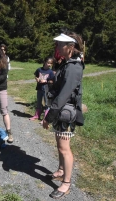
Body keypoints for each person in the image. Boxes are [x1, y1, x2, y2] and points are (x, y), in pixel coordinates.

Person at [42, 31, 85, 199]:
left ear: (70, 47)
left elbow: (64, 95)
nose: (57, 47)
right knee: (60, 146)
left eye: (60, 45)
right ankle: (61, 171)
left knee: (64, 148)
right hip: (61, 111)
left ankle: (66, 183)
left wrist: (48, 116)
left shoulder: (74, 66)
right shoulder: (67, 63)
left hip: (65, 112)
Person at [29, 56, 54, 123]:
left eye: (51, 63)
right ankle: (37, 115)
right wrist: (37, 79)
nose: (49, 64)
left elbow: (52, 81)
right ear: (44, 62)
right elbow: (36, 76)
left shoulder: (50, 72)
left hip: (46, 89)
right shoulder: (39, 69)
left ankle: (45, 119)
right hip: (39, 88)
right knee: (38, 102)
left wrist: (46, 81)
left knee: (46, 103)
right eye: (48, 63)